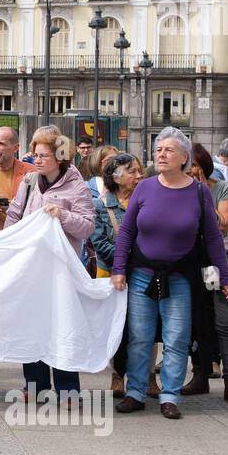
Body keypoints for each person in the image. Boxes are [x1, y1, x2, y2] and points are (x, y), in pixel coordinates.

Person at [112, 127, 228, 420]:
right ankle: (136, 392)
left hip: (180, 275)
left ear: (184, 157)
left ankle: (170, 395)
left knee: (176, 337)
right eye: (158, 150)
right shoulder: (145, 187)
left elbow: (213, 237)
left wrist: (226, 277)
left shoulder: (199, 191)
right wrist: (118, 269)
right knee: (140, 336)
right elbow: (127, 230)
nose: (161, 154)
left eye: (168, 150)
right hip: (142, 272)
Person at [5, 126, 98, 402]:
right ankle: (34, 385)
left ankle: (68, 389)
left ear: (60, 156)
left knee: (63, 326)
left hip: (61, 271)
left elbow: (87, 226)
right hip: (31, 269)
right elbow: (14, 215)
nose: (37, 159)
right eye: (35, 154)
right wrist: (7, 245)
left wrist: (63, 215)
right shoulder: (29, 182)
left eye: (43, 155)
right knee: (31, 326)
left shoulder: (76, 185)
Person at [180, 143, 228, 406]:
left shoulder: (222, 188)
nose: (192, 170)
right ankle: (200, 375)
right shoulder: (179, 190)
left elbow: (224, 225)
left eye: (195, 165)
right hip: (191, 261)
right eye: (188, 165)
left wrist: (204, 194)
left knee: (225, 323)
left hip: (222, 263)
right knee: (195, 322)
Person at [91, 153, 146, 397]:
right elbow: (98, 242)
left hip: (144, 273)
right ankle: (118, 374)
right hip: (111, 275)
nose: (138, 176)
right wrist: (127, 258)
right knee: (117, 327)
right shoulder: (100, 205)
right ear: (116, 176)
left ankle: (147, 376)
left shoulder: (147, 202)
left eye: (139, 170)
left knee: (145, 327)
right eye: (132, 171)